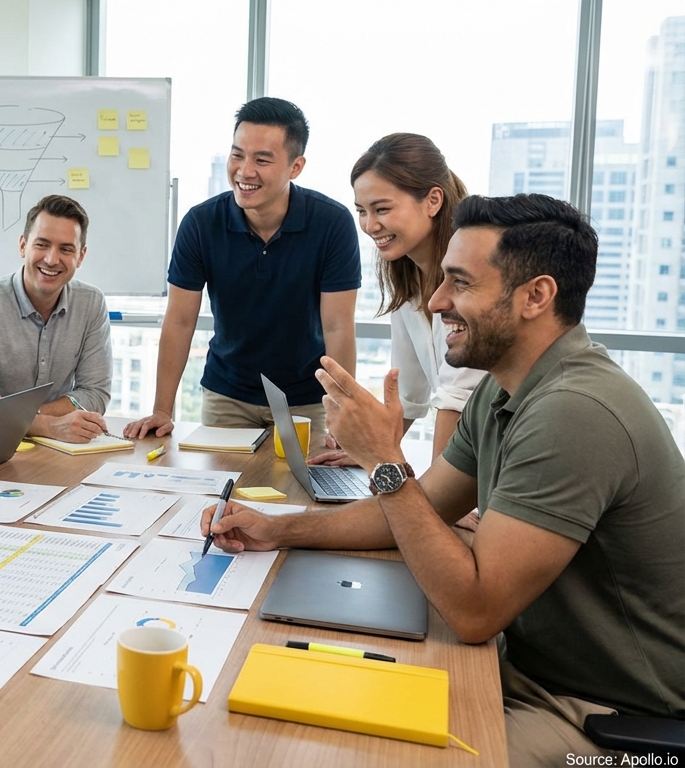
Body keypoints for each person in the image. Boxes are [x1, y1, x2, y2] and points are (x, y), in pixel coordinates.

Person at [204, 194, 685, 767]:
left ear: (537, 296)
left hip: (608, 716)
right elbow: (421, 507)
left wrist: (382, 458)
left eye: (459, 282)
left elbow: (474, 611)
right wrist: (278, 530)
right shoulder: (504, 389)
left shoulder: (575, 411)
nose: (435, 301)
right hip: (529, 669)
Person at [125, 97, 360, 445]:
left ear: (296, 167)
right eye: (238, 155)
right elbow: (179, 320)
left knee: (306, 494)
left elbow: (338, 326)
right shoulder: (201, 223)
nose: (244, 171)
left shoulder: (332, 223)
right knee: (225, 493)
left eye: (262, 160)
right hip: (227, 396)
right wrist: (163, 409)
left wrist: (342, 412)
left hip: (307, 399)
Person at [310, 134, 485, 468]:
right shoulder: (408, 278)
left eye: (382, 209)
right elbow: (409, 387)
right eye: (362, 211)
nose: (369, 225)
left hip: (514, 456)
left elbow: (457, 398)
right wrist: (370, 451)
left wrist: (440, 498)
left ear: (433, 200)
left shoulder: (470, 277)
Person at [0, 194, 112, 443]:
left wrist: (33, 421)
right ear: (23, 245)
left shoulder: (91, 303)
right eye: (42, 244)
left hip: (49, 447)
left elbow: (95, 393)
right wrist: (49, 426)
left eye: (66, 249)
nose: (51, 259)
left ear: (81, 256)